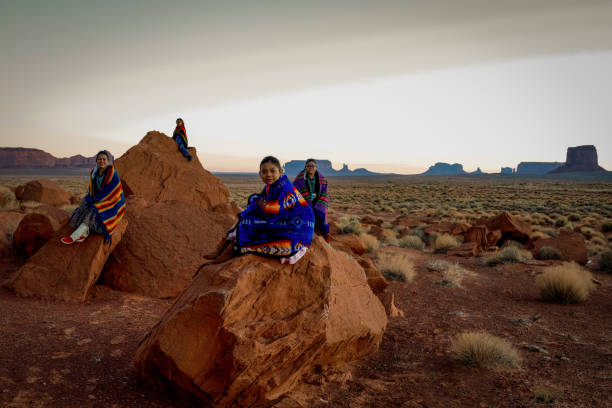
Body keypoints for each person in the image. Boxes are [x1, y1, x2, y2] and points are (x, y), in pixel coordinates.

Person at [209, 156, 314, 264]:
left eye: (272, 171)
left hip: (300, 225)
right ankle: (227, 243)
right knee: (248, 218)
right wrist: (258, 203)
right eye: (264, 172)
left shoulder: (285, 187)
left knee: (256, 225)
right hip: (284, 219)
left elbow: (276, 208)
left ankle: (233, 247)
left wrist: (259, 203)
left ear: (281, 171)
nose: (268, 174)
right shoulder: (271, 186)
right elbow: (264, 202)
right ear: (260, 174)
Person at [61, 150, 126, 245]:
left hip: (114, 201)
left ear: (108, 161)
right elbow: (92, 191)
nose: (102, 161)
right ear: (96, 161)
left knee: (95, 208)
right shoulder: (94, 173)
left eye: (104, 159)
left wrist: (93, 200)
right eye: (99, 159)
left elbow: (108, 193)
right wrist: (88, 199)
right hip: (100, 198)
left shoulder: (112, 173)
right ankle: (85, 231)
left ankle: (75, 235)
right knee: (84, 203)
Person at [293, 159, 330, 242]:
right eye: (308, 166)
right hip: (305, 203)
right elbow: (295, 191)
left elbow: (325, 192)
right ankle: (305, 238)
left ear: (316, 167)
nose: (310, 167)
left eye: (312, 166)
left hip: (318, 202)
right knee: (305, 218)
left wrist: (319, 204)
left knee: (320, 214)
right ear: (305, 167)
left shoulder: (322, 179)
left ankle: (323, 235)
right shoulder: (299, 180)